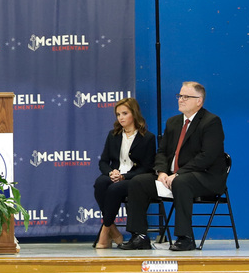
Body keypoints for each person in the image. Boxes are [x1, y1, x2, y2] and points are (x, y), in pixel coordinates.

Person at [121, 81, 227, 251]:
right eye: (179, 96)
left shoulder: (211, 122)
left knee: (182, 182)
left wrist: (178, 174)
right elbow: (162, 151)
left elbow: (207, 156)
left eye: (186, 97)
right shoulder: (173, 122)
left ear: (199, 101)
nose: (181, 100)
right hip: (172, 177)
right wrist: (162, 172)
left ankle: (185, 238)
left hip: (206, 178)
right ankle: (139, 236)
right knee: (139, 182)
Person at [93, 97, 156, 248]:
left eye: (124, 113)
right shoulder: (113, 135)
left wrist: (124, 176)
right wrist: (110, 173)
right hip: (115, 175)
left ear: (134, 114)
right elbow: (103, 161)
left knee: (114, 189)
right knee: (100, 183)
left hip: (133, 178)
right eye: (118, 114)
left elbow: (147, 167)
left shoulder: (147, 138)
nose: (120, 117)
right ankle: (113, 231)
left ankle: (106, 230)